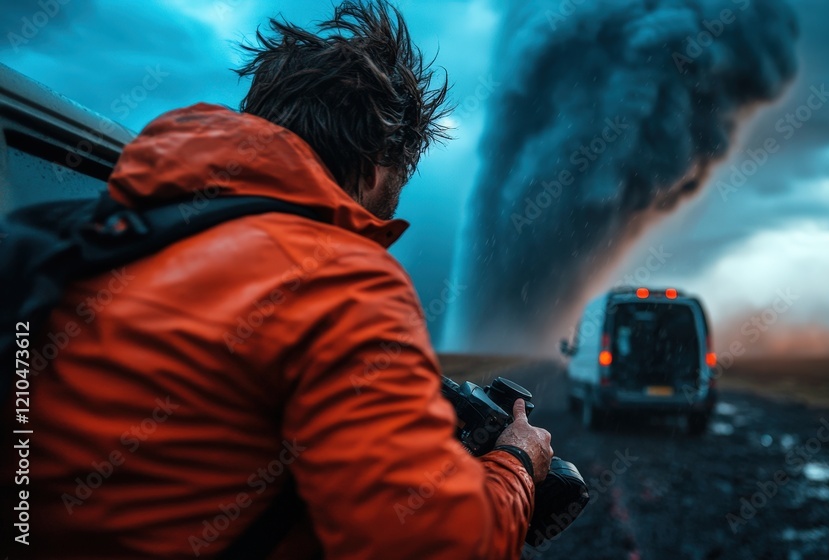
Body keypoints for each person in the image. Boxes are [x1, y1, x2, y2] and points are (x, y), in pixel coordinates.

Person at [13, 1, 552, 558]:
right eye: (400, 180)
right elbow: (433, 545)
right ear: (374, 166)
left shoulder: (113, 233)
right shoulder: (340, 280)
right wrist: (516, 464)